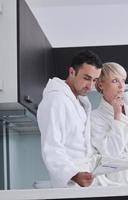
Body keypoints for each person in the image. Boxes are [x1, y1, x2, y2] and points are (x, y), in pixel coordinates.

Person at [37, 50, 102, 188]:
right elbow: (51, 147)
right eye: (86, 78)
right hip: (71, 182)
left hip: (85, 179)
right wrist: (74, 175)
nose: (90, 86)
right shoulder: (56, 100)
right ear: (72, 72)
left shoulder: (80, 102)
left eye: (94, 80)